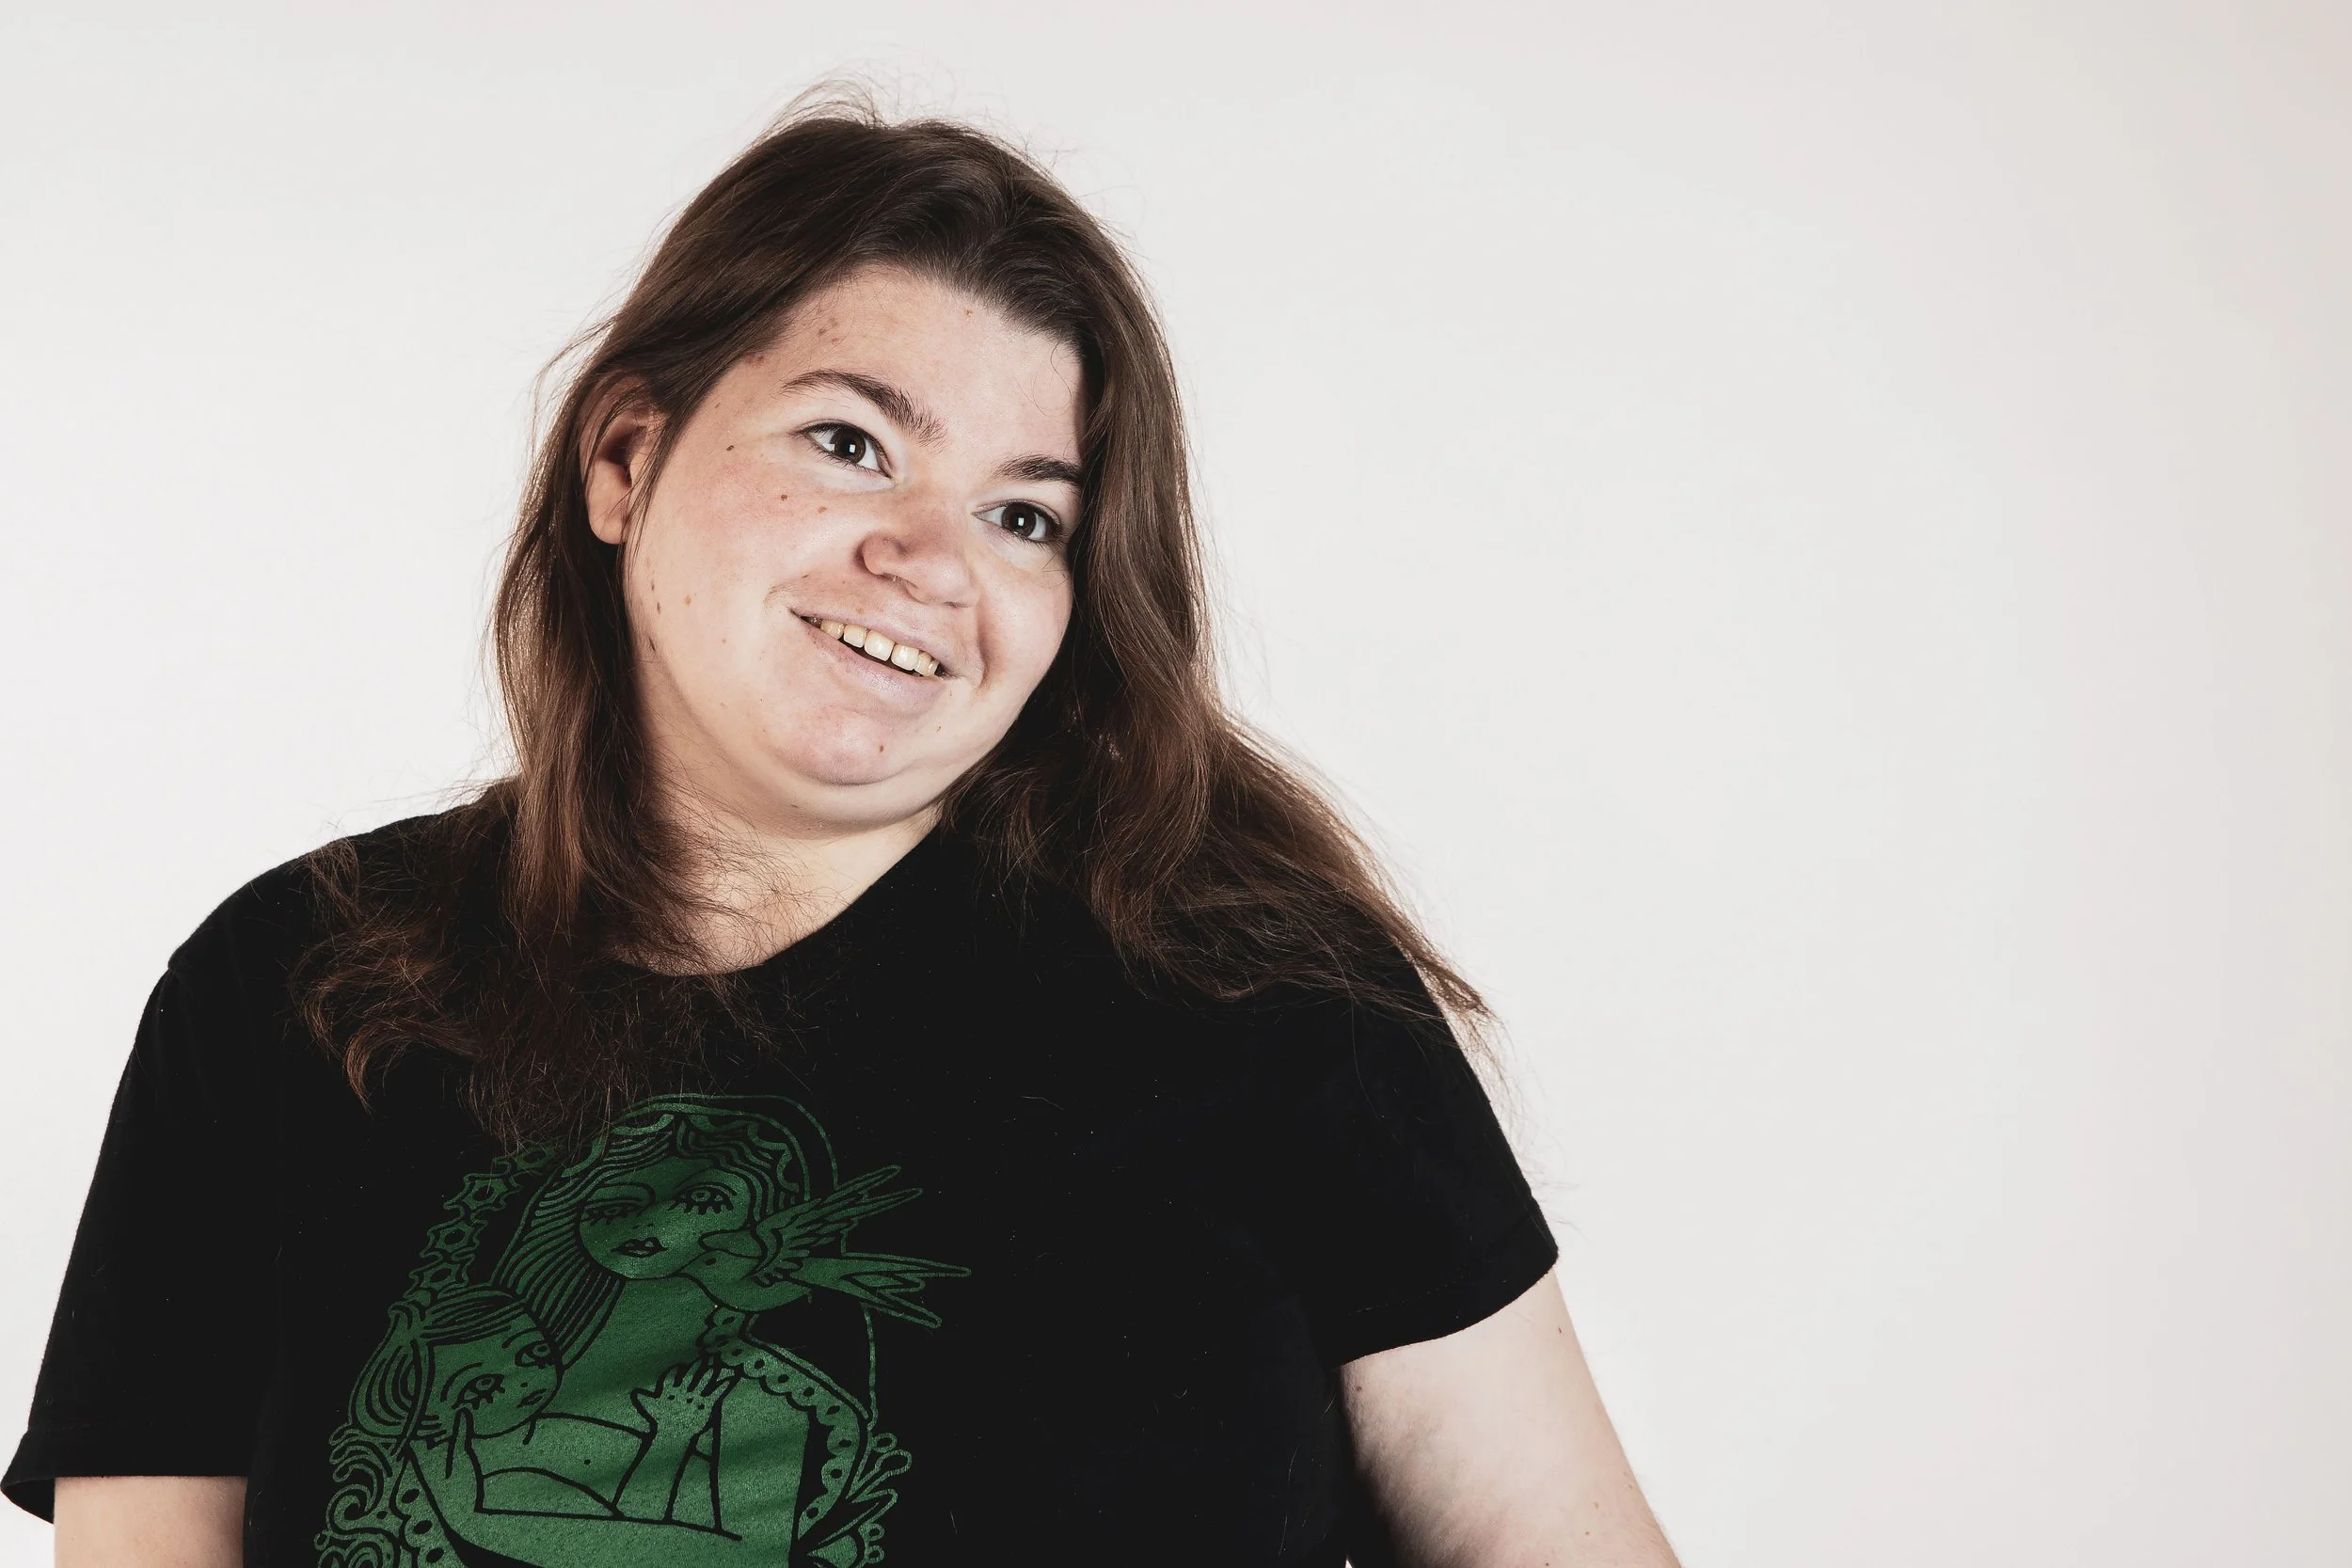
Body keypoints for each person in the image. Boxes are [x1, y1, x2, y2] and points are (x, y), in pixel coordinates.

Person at [7, 96, 1681, 1567]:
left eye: (1026, 513)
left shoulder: (1279, 1014)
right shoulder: (289, 993)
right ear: (624, 455)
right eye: (850, 440)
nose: (932, 556)